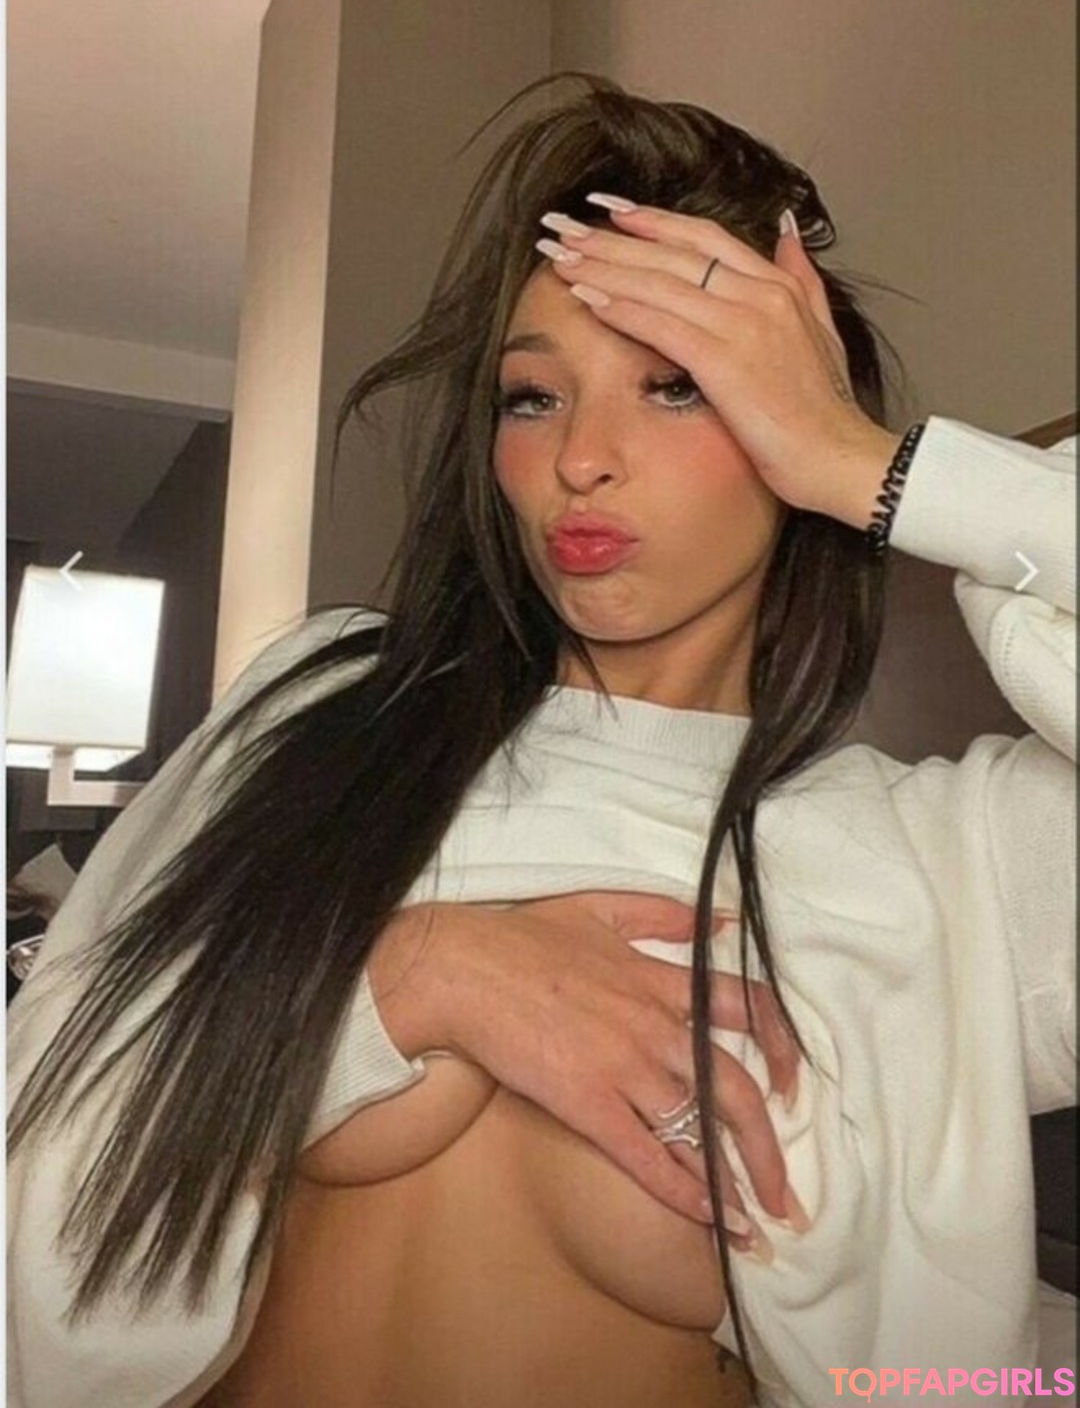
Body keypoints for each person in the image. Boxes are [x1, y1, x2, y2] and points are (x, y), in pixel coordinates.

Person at [7, 75, 1075, 1408]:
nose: (581, 458)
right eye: (531, 397)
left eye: (679, 385)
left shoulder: (950, 859)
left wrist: (872, 467)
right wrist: (413, 975)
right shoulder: (329, 705)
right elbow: (40, 1103)